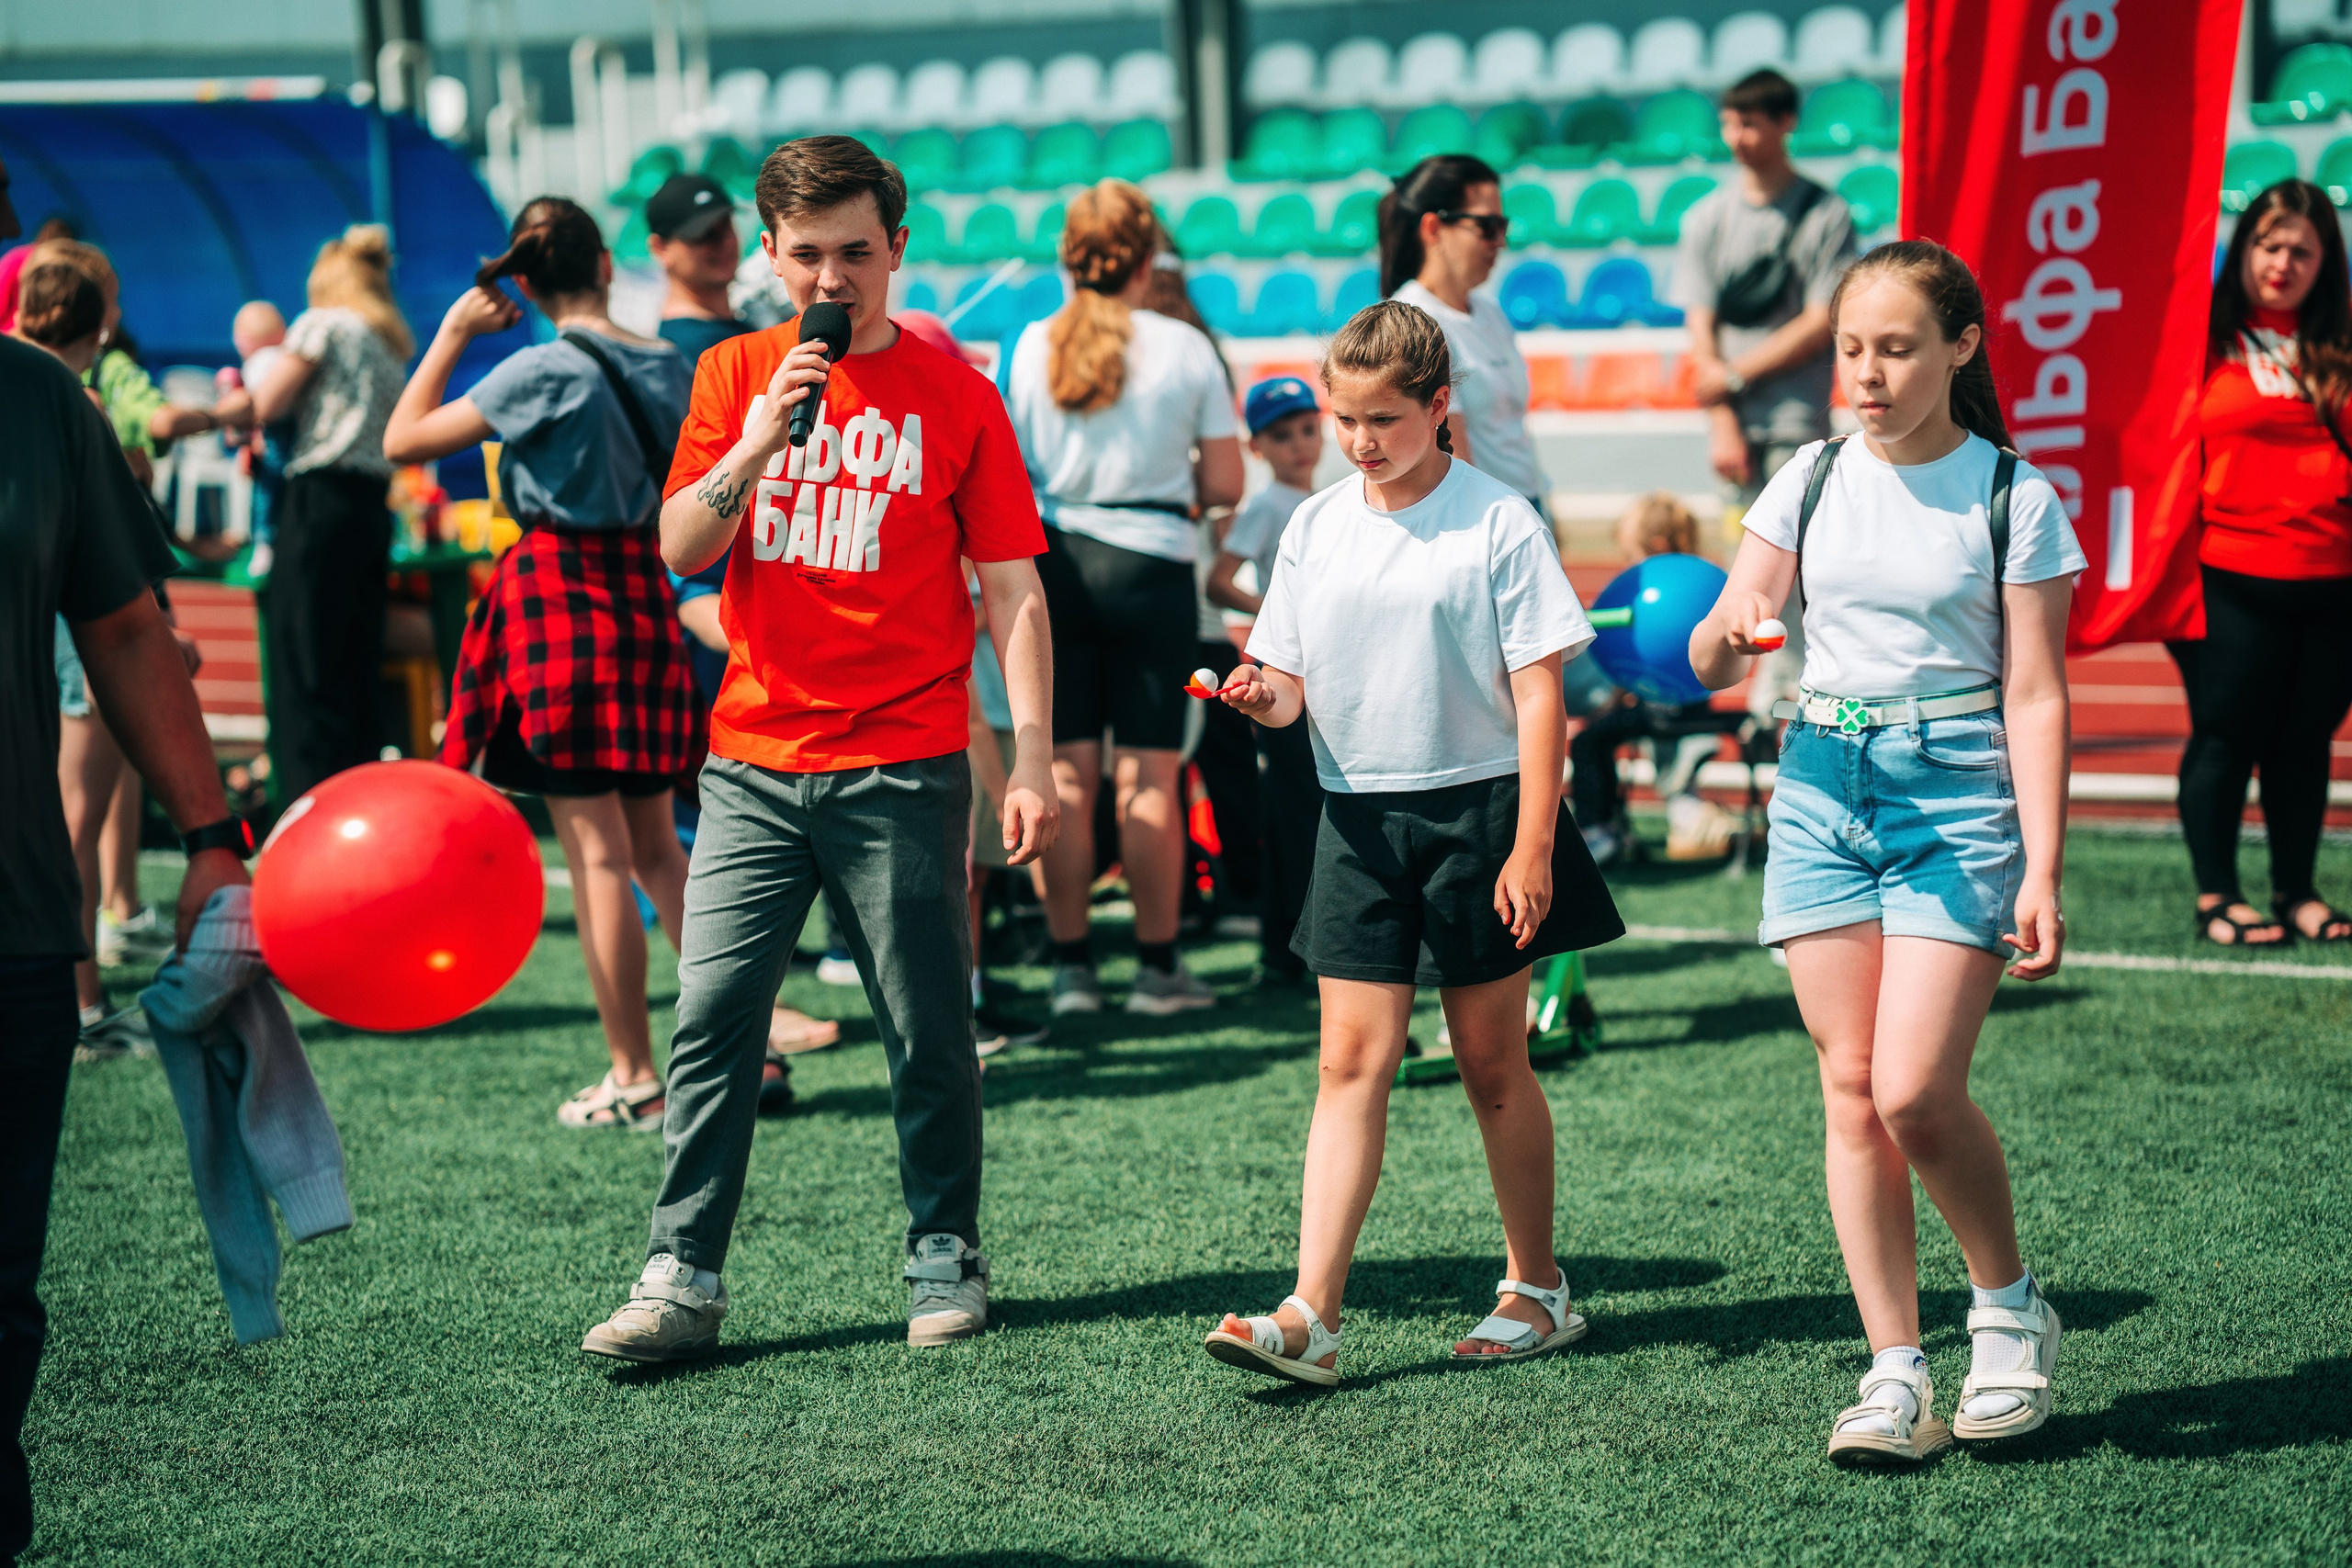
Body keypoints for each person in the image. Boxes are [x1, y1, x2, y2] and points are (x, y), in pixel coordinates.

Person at [577, 134, 1057, 1360]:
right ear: (771, 258)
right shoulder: (737, 370)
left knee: (925, 1022)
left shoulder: (960, 396)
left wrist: (1036, 756)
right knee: (716, 1016)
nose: (832, 278)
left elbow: (1013, 590)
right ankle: (682, 1271)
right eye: (807, 256)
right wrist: (755, 440)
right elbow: (682, 548)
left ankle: (944, 1244)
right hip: (750, 760)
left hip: (901, 763)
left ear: (898, 248)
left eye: (856, 252)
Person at [1689, 241, 2082, 1465]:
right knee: (1850, 1090)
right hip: (1817, 785)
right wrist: (1728, 636)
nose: (1866, 373)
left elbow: (2036, 692)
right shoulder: (1804, 476)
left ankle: (2010, 1310)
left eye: (1897, 348)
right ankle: (1896, 1368)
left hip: (1956, 794)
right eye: (1852, 349)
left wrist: (2045, 863)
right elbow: (1713, 640)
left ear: (1960, 347)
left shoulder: (2013, 492)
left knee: (1914, 1087)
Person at [1200, 302, 1622, 1387]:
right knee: (1348, 1062)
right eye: (1344, 418)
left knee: (1490, 1064)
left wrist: (1532, 847)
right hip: (1354, 819)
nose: (1359, 440)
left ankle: (1537, 1287)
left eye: (1383, 417)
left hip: (1480, 815)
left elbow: (1540, 699)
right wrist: (1259, 695)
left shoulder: (1497, 521)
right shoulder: (1313, 525)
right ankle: (1312, 1315)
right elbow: (1290, 686)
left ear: (1440, 406)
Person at [0, 155, 253, 1568]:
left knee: (0, 1303)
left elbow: (129, 628)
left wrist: (214, 839)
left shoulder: (43, 406)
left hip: (15, 928)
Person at [381, 197, 708, 1131]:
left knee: (600, 857)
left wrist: (450, 330)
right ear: (606, 263)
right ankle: (739, 1051)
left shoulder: (539, 369)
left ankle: (636, 1076)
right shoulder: (670, 362)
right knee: (659, 848)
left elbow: (401, 441)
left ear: (519, 282)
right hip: (647, 590)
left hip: (562, 596)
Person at [1003, 178, 1243, 1016]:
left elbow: (1011, 470)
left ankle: (1072, 969)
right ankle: (1157, 967)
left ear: (1070, 262)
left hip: (1058, 561)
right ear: (1147, 262)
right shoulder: (1184, 347)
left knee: (1064, 773)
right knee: (1152, 776)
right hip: (1153, 569)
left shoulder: (1031, 342)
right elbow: (1223, 482)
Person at [13, 263, 201, 1052]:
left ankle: (81, 996)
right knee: (76, 818)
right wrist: (157, 628)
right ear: (99, 329)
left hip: (55, 641)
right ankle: (82, 1006)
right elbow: (110, 578)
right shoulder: (69, 403)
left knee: (72, 818)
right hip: (76, 642)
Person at [2174, 178, 2352, 947]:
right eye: (2268, 244)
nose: (2283, 263)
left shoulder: (2343, 342)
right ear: (2242, 248)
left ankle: (2296, 891)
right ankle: (2218, 895)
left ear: (2326, 263)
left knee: (2306, 740)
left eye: (2302, 251)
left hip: (2334, 579)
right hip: (2229, 572)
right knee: (2226, 733)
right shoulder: (2197, 339)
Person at [1671, 68, 1858, 718]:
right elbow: (1700, 322)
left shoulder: (1825, 214)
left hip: (1793, 420)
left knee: (1801, 560)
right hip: (1734, 424)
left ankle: (1797, 677)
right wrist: (1721, 409)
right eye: (1729, 122)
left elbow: (1819, 319)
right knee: (1740, 554)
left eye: (1751, 122)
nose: (1738, 137)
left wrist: (1737, 374)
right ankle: (1758, 680)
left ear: (1785, 123)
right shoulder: (1707, 218)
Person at [242, 224, 411, 807]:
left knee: (304, 670)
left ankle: (307, 811)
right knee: (355, 668)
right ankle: (359, 807)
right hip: (372, 509)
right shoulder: (390, 343)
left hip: (318, 502)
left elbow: (269, 402)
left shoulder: (324, 325)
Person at [1205, 375, 1325, 981]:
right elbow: (1220, 579)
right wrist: (1278, 613)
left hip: (1319, 677)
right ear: (1257, 448)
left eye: (1308, 428)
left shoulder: (1327, 498)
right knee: (1296, 812)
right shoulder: (1269, 506)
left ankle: (1291, 948)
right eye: (1282, 435)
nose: (1300, 444)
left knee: (1308, 808)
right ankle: (1289, 947)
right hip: (1284, 678)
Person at [1567, 492, 1735, 865]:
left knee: (1589, 742)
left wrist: (1618, 694)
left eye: (1630, 555)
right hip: (1682, 702)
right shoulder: (1699, 580)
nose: (1628, 566)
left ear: (1656, 547)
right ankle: (1681, 809)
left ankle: (1599, 830)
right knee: (1603, 732)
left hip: (1667, 706)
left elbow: (1648, 655)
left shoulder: (1662, 592)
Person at [1378, 155, 1546, 513]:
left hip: (1522, 505)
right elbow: (1451, 457)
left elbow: (1511, 433)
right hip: (1485, 516)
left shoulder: (1489, 313)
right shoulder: (1415, 323)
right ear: (1434, 229)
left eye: (1503, 226)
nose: (1500, 241)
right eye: (1487, 226)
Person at [648, 173, 755, 367]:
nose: (724, 242)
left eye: (726, 226)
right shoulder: (684, 350)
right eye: (703, 234)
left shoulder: (739, 324)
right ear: (660, 248)